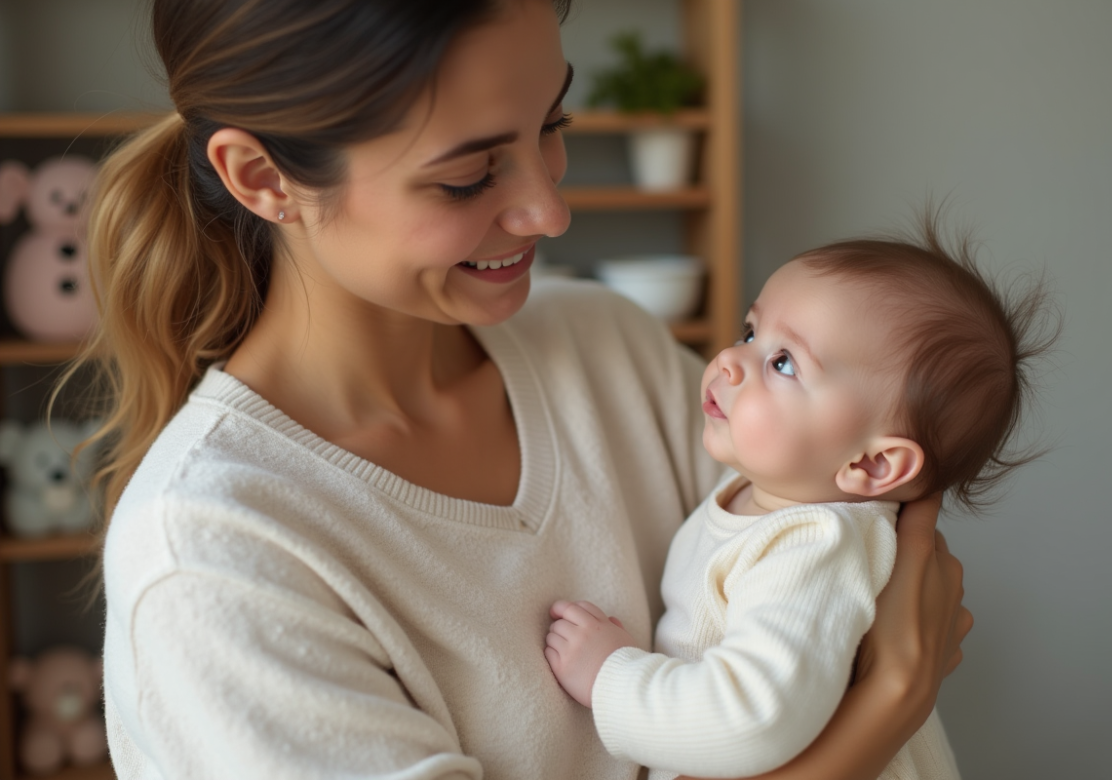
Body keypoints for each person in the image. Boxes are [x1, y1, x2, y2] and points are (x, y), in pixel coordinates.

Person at [71, 0, 972, 777]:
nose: (550, 209)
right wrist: (889, 701)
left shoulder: (607, 348)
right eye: (469, 174)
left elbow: (828, 603)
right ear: (263, 178)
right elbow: (871, 673)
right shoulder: (214, 554)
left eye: (554, 126)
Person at [544, 226, 1054, 780]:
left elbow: (751, 716)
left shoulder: (814, 548)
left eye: (783, 362)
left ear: (871, 465)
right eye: (750, 331)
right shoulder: (763, 493)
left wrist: (610, 676)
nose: (729, 361)